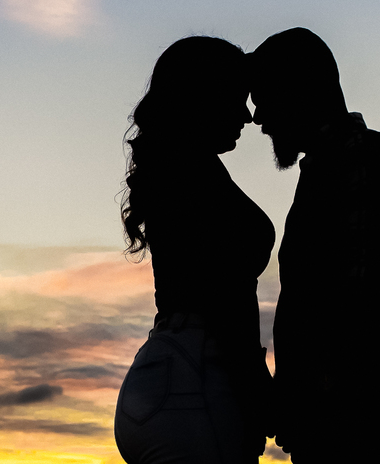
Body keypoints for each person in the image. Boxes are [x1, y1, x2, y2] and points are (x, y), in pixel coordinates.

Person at [250, 28, 380, 464]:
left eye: (263, 98)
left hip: (364, 422)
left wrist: (309, 402)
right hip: (343, 417)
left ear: (297, 90)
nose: (257, 117)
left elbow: (363, 306)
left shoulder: (368, 161)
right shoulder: (327, 167)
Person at [114, 36, 275, 464]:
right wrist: (258, 390)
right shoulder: (194, 177)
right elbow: (225, 297)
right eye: (236, 99)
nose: (246, 115)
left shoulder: (182, 168)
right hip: (197, 387)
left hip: (162, 375)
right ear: (205, 96)